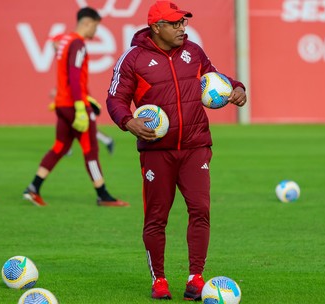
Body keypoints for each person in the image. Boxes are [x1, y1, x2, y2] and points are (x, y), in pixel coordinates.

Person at [106, 0, 247, 300]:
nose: (182, 27)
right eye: (175, 23)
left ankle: (196, 277)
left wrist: (237, 87)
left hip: (196, 145)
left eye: (183, 22)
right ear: (157, 27)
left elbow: (215, 77)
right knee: (157, 217)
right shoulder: (132, 59)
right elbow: (115, 98)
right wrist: (128, 121)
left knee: (200, 210)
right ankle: (159, 279)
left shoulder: (193, 52)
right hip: (157, 151)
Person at [23, 7, 128, 207]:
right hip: (73, 104)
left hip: (62, 104)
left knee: (60, 146)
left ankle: (33, 187)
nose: (95, 32)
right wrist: (81, 105)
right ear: (88, 23)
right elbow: (74, 75)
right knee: (91, 150)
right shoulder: (78, 43)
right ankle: (103, 195)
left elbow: (65, 71)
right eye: (95, 27)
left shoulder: (65, 41)